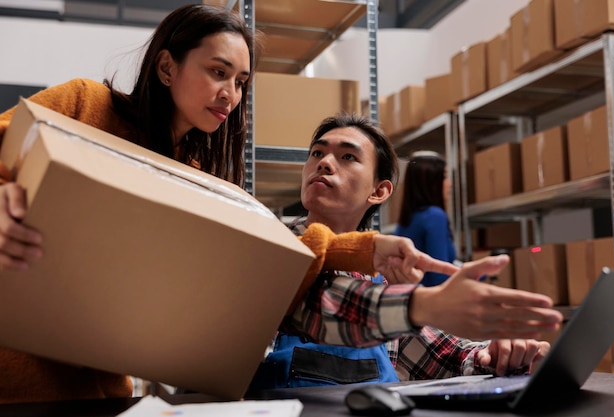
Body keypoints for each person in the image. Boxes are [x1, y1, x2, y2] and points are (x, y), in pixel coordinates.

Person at [0, 4, 487, 404]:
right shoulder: (87, 106)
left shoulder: (196, 177)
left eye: (240, 82)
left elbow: (269, 258)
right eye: (218, 72)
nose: (230, 94)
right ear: (167, 67)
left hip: (98, 386)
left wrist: (364, 251)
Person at [248, 113, 555, 391]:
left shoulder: (380, 278)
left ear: (379, 191)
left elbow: (437, 352)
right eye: (317, 152)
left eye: (347, 156)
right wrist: (426, 304)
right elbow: (331, 302)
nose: (325, 162)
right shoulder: (270, 249)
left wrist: (493, 355)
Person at [394, 151, 456, 286]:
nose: (449, 183)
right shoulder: (434, 216)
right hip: (435, 302)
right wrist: (482, 273)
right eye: (444, 176)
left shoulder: (407, 220)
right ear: (431, 182)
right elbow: (440, 277)